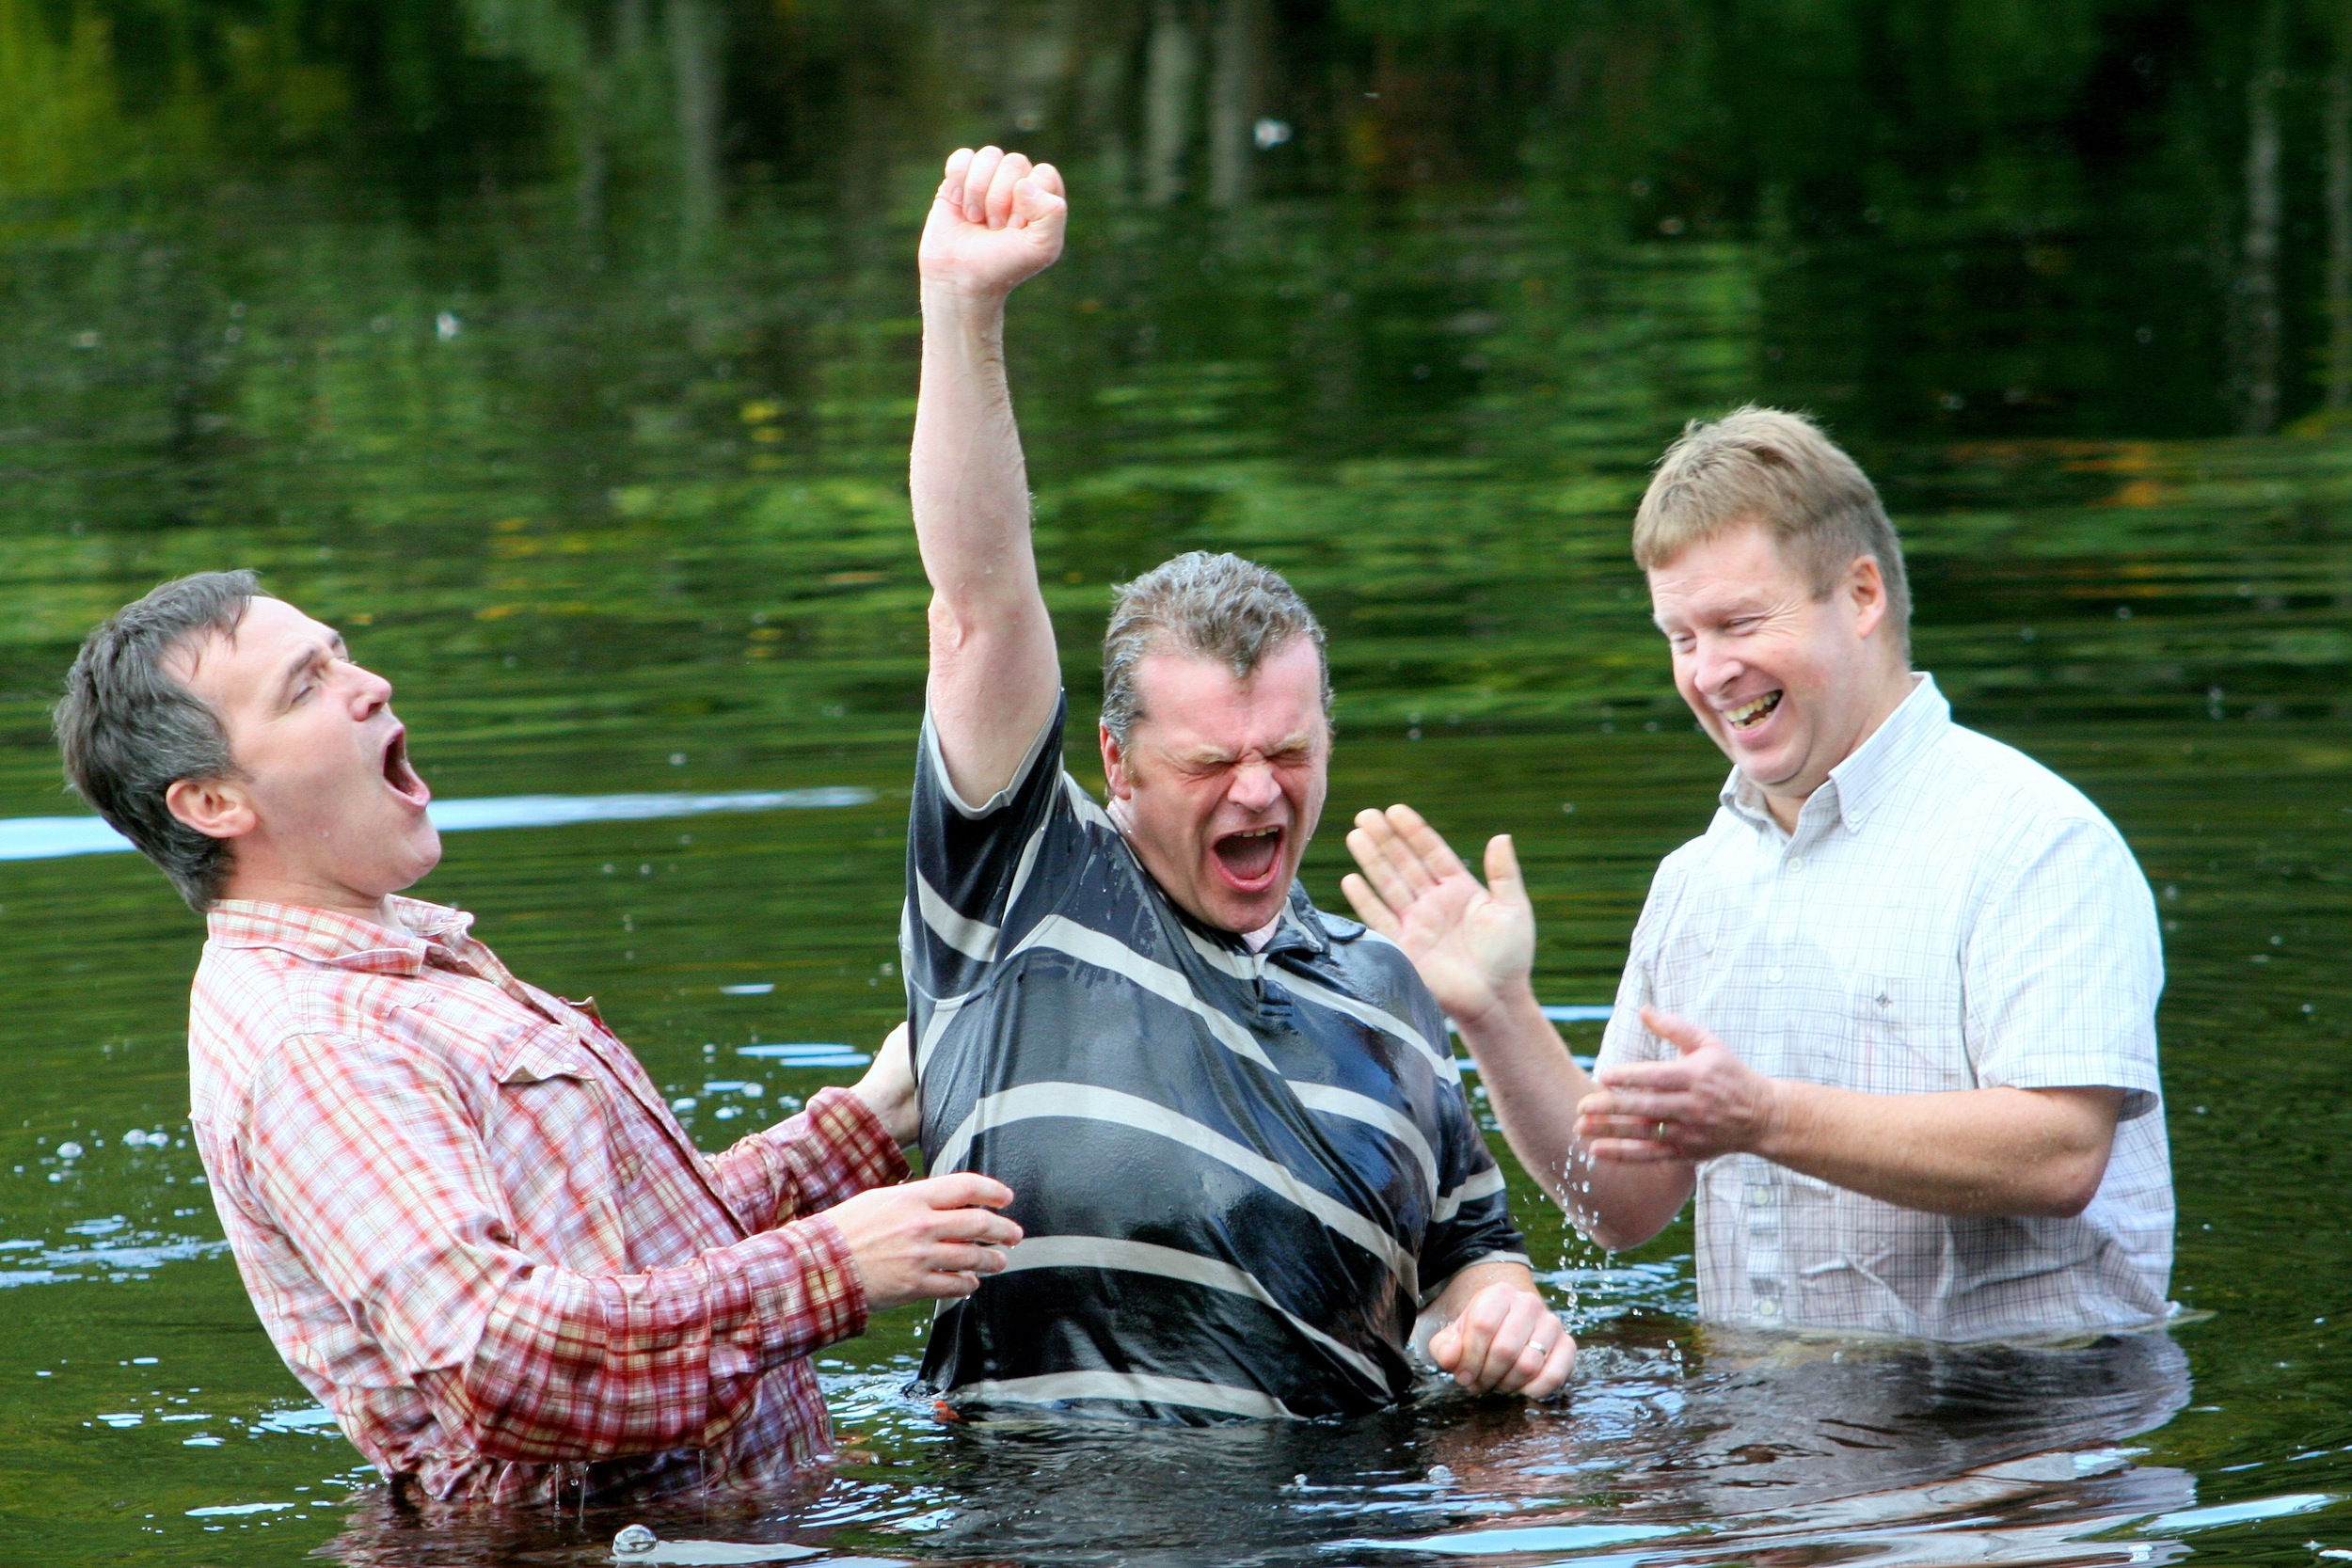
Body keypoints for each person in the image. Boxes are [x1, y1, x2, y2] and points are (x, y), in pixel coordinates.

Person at [54, 571, 1024, 1503]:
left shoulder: (398, 969)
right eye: (306, 686)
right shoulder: (315, 1043)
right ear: (214, 802)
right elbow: (497, 1358)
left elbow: (621, 1251)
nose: (370, 685)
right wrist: (833, 1265)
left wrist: (857, 1125)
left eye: (341, 656)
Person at [899, 146, 1574, 1422]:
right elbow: (980, 601)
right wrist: (963, 305)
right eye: (1212, 761)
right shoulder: (1023, 887)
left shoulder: (1385, 992)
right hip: (1044, 1519)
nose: (1260, 793)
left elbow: (1470, 1264)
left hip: (1340, 1518)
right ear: (1117, 764)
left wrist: (1500, 1318)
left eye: (1291, 752)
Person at [1343, 407, 2173, 1341]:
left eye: (1739, 621)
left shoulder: (2034, 838)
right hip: (1762, 1450)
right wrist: (1499, 1010)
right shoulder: (1697, 880)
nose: (1709, 670)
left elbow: (2061, 1152)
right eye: (1680, 636)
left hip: (2024, 1431)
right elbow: (1625, 1205)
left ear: (1861, 594)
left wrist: (1764, 1116)